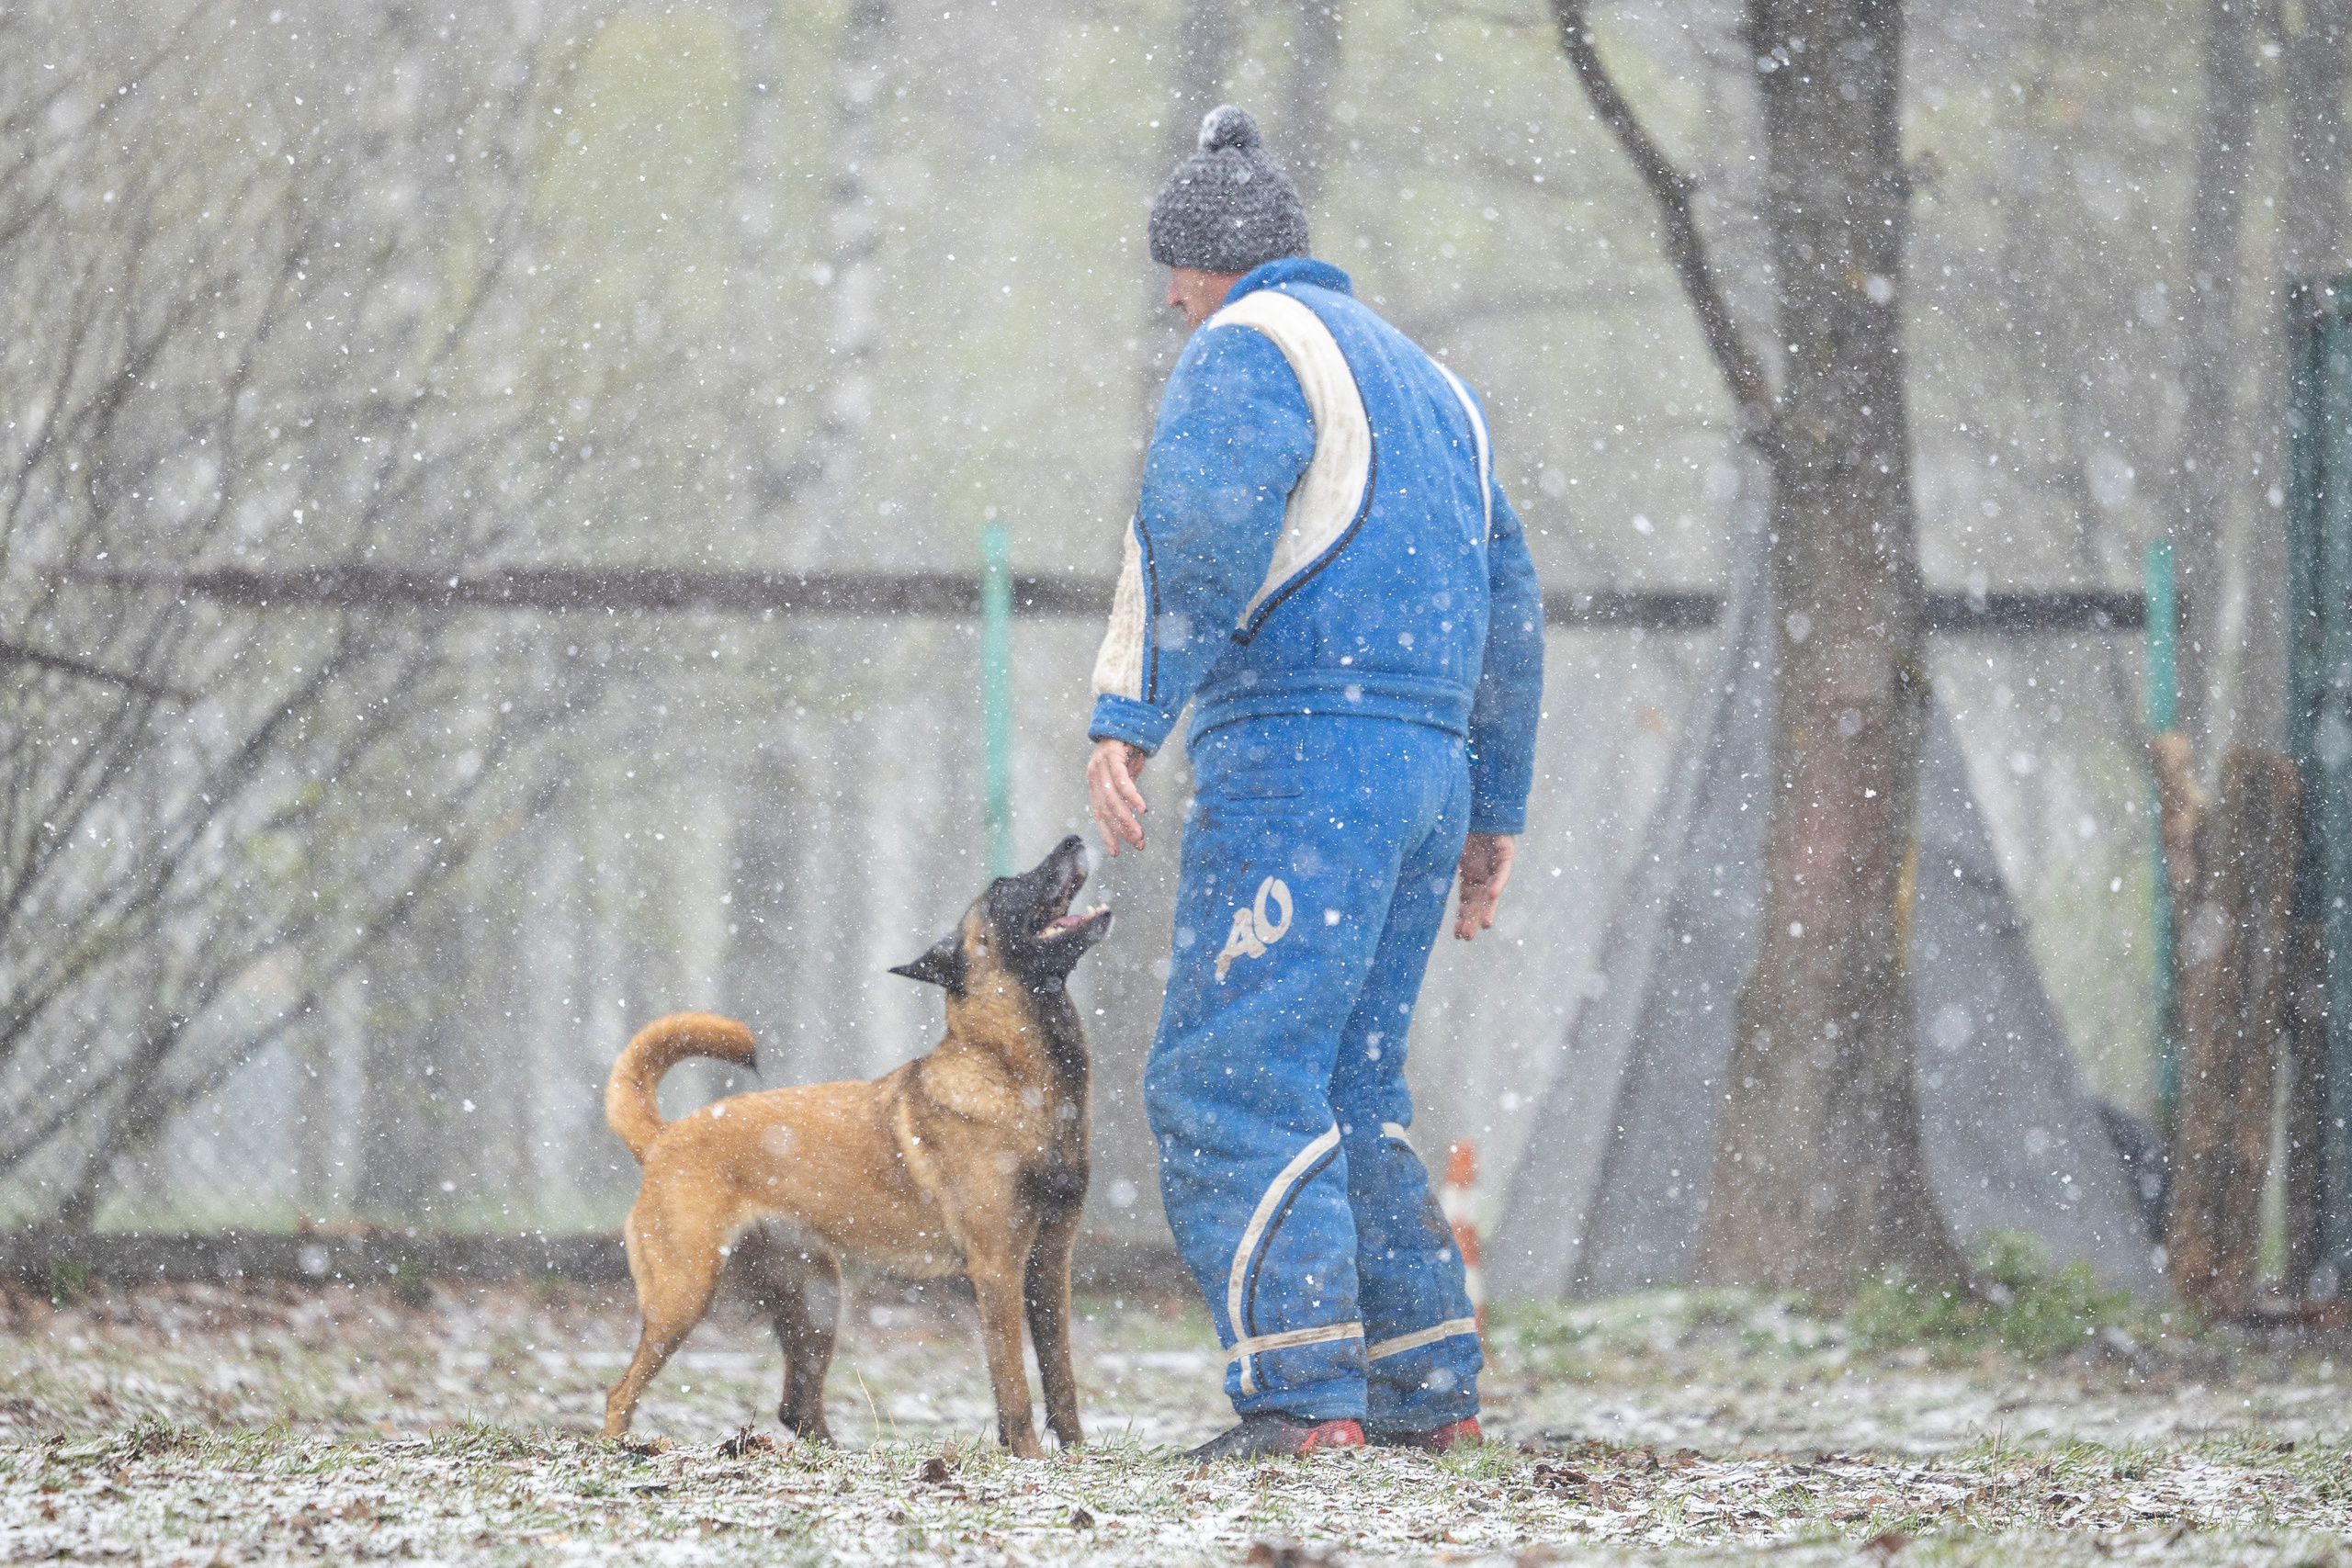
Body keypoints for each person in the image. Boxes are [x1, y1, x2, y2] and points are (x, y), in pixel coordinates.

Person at [1083, 104, 1544, 1460]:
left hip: (1304, 764)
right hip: (1427, 770)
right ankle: (1426, 1393)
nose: (1172, 309)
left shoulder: (1249, 346)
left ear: (1204, 265)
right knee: (1353, 1085)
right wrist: (1496, 803)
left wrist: (1131, 709)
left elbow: (1199, 522)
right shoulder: (1435, 387)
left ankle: (1299, 1402)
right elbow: (1510, 601)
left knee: (1228, 1075)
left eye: (1174, 285)